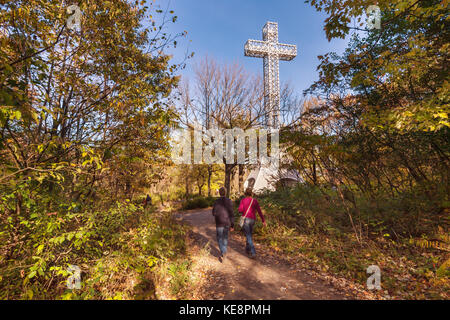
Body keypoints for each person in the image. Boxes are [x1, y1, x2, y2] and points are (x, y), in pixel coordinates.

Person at [238, 188, 266, 259]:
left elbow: (240, 210)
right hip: (253, 220)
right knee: (249, 234)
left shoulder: (243, 200)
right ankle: (247, 249)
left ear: (245, 194)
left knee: (248, 236)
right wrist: (263, 220)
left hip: (246, 220)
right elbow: (259, 211)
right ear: (251, 193)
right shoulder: (254, 201)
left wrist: (241, 209)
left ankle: (253, 252)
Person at [212, 187, 234, 262]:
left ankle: (223, 251)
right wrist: (232, 225)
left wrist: (217, 215)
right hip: (227, 222)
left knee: (219, 238)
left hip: (219, 222)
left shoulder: (216, 201)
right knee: (225, 238)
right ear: (225, 192)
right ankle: (224, 251)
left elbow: (213, 213)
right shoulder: (229, 201)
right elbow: (231, 213)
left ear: (219, 193)